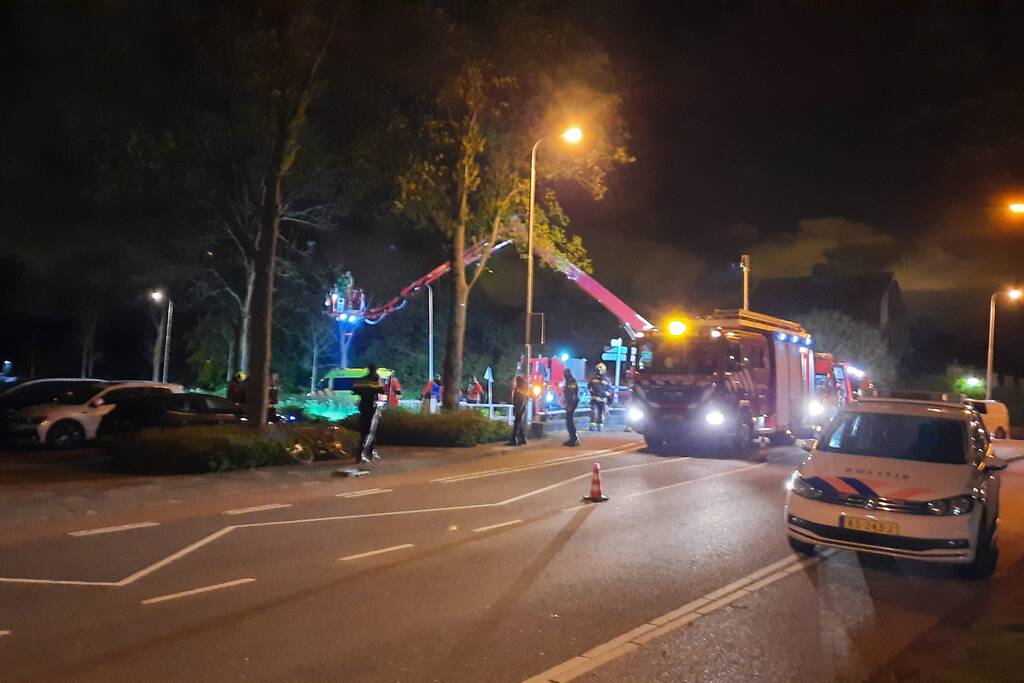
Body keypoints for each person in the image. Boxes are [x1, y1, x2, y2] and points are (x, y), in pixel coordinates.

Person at [352, 364, 384, 463]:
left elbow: (354, 390)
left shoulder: (361, 380)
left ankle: (361, 454)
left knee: (363, 432)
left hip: (362, 408)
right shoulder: (375, 381)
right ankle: (367, 453)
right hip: (372, 409)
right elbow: (381, 391)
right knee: (371, 432)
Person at [588, 363, 611, 432]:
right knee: (593, 412)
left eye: (601, 370)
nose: (599, 371)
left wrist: (607, 394)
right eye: (598, 369)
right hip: (594, 399)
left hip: (602, 400)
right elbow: (589, 386)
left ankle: (600, 426)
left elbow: (609, 389)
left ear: (604, 370)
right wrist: (591, 391)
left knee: (601, 414)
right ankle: (592, 426)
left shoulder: (607, 380)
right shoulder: (593, 379)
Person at [562, 368, 580, 446]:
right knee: (569, 420)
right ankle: (573, 438)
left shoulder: (571, 381)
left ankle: (573, 439)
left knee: (569, 421)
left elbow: (572, 394)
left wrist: (569, 405)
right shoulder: (570, 380)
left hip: (572, 404)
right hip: (571, 403)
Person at [509, 376, 529, 446]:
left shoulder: (519, 391)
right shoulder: (523, 390)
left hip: (519, 408)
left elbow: (518, 401)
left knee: (517, 423)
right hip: (521, 408)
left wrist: (518, 409)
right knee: (518, 423)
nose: (513, 382)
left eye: (514, 381)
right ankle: (522, 439)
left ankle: (514, 439)